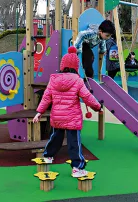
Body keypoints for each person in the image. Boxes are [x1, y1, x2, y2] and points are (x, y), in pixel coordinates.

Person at [32, 46, 102, 178]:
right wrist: (98, 107)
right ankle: (77, 168)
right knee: (74, 143)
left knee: (55, 138)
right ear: (76, 67)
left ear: (62, 65)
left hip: (57, 117)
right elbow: (87, 97)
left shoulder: (53, 80)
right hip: (72, 119)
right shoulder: (77, 81)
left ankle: (48, 156)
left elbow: (46, 97)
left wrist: (39, 112)